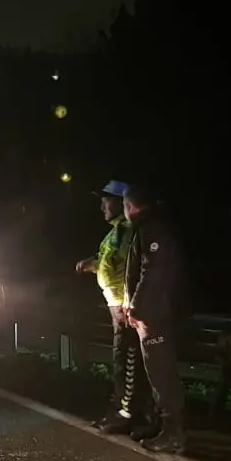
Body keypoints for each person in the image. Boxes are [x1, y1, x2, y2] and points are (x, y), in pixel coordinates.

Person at [75, 180, 150, 435]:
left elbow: (133, 267)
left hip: (124, 305)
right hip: (116, 303)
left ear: (121, 203)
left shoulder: (128, 231)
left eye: (107, 200)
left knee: (127, 360)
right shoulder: (116, 232)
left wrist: (130, 303)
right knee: (121, 358)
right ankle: (121, 410)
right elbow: (113, 263)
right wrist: (93, 264)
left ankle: (126, 413)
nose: (102, 205)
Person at [121, 184, 189, 453]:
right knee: (158, 372)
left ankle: (173, 434)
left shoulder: (152, 228)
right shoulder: (151, 226)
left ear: (130, 206)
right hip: (156, 311)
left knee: (161, 373)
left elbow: (152, 271)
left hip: (156, 315)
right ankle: (165, 427)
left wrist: (136, 306)